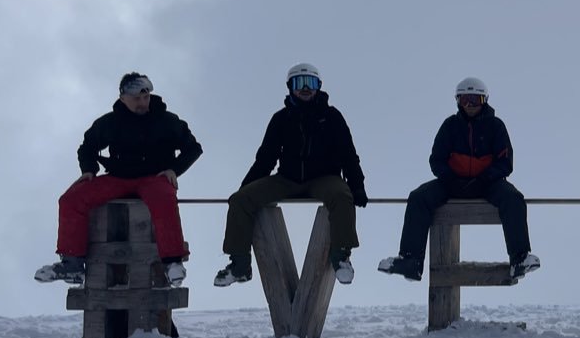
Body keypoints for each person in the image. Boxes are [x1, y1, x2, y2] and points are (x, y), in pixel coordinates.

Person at [35, 72, 202, 287]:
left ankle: (172, 263)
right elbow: (87, 147)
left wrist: (174, 169)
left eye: (146, 97)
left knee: (164, 198)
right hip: (118, 177)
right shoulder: (111, 122)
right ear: (123, 98)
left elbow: (193, 148)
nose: (142, 102)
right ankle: (73, 265)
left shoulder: (167, 121)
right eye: (136, 98)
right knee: (71, 200)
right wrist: (89, 170)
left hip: (154, 177)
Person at [215, 63, 368, 287]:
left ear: (318, 87)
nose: (305, 88)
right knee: (240, 200)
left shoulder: (332, 117)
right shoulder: (282, 119)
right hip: (288, 178)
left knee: (342, 196)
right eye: (299, 83)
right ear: (290, 87)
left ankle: (341, 258)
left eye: (311, 83)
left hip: (324, 178)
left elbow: (348, 154)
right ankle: (239, 265)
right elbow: (265, 158)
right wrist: (246, 187)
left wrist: (357, 186)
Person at [378, 77, 539, 282]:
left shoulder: (496, 126)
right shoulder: (450, 126)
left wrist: (485, 179)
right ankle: (411, 260)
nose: (470, 105)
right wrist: (450, 178)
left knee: (514, 198)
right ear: (457, 101)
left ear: (485, 100)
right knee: (418, 197)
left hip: (487, 184)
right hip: (453, 183)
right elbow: (437, 159)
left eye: (475, 100)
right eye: (464, 100)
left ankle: (520, 258)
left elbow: (505, 162)